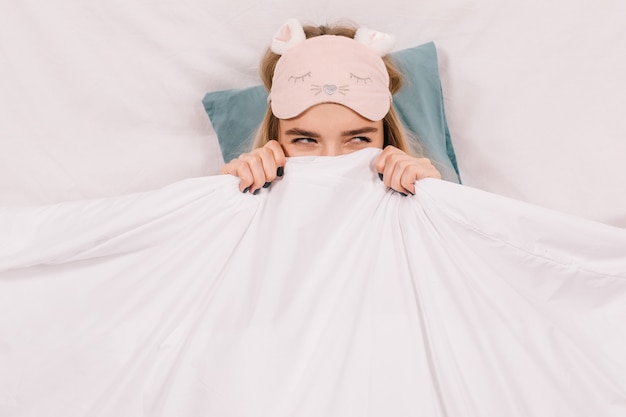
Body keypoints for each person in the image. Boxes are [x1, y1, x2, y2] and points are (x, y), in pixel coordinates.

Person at [220, 19, 442, 196]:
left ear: (387, 139)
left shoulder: (418, 200)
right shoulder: (244, 203)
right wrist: (227, 198)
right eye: (305, 140)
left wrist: (433, 199)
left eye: (359, 139)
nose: (331, 161)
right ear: (274, 138)